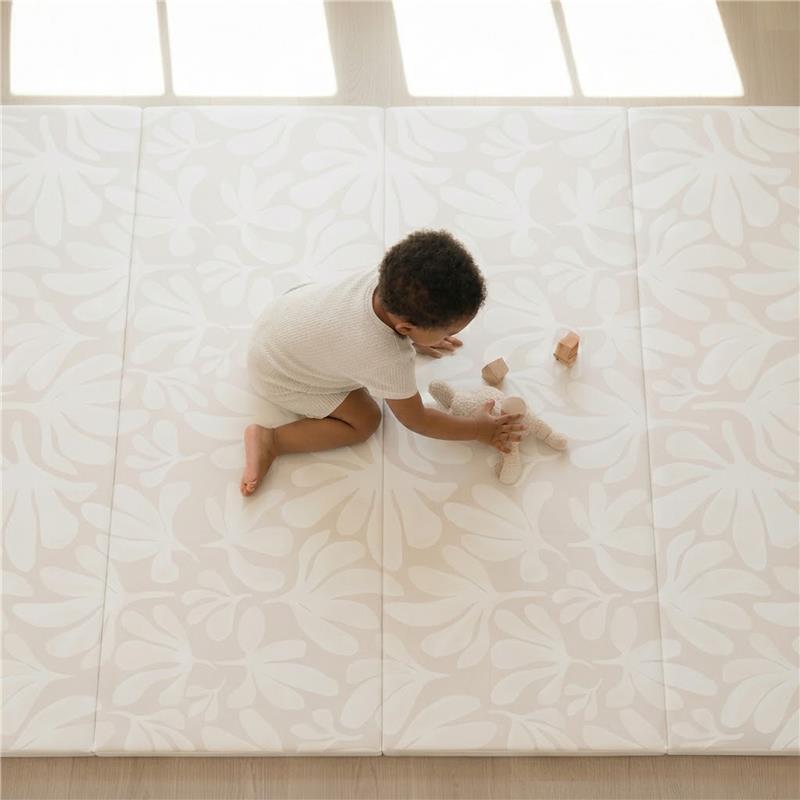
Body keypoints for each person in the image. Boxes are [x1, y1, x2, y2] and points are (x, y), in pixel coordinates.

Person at [240, 228, 524, 496]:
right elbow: (418, 420)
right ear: (405, 328)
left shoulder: (387, 281)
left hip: (279, 318)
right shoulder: (389, 360)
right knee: (366, 421)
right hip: (279, 376)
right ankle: (272, 441)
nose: (451, 335)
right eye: (448, 330)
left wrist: (423, 334)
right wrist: (478, 429)